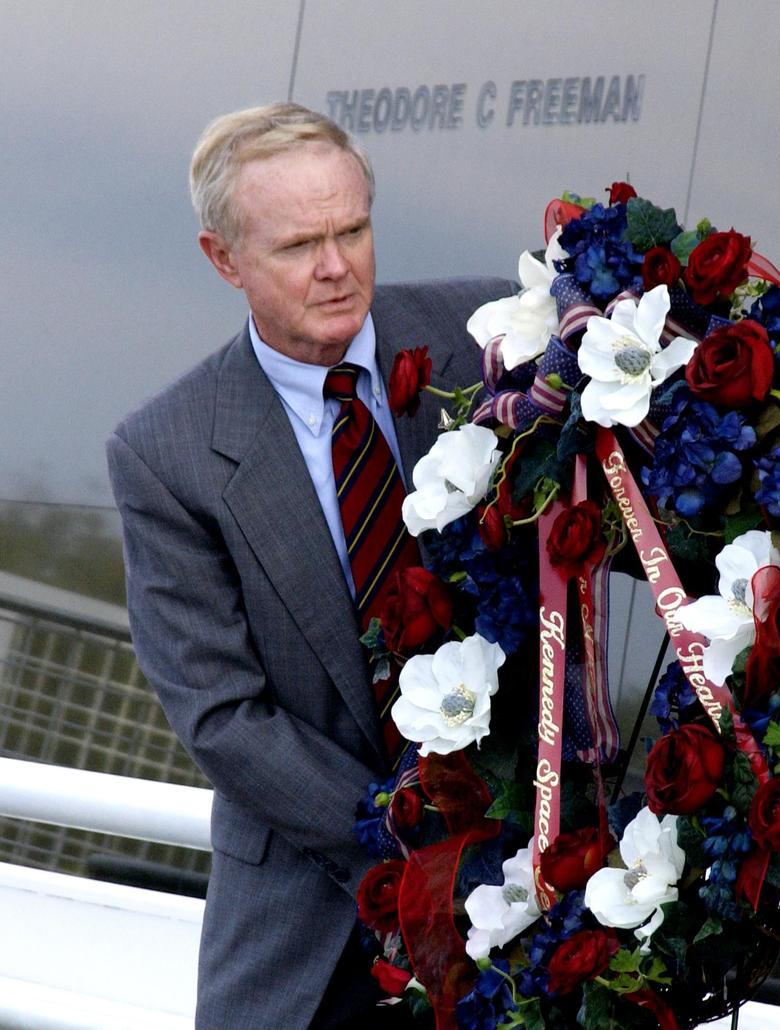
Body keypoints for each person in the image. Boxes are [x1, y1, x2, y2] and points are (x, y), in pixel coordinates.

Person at [106, 103, 512, 1028]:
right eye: (299, 246)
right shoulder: (165, 453)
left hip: (527, 907)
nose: (338, 268)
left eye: (355, 230)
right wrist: (419, 843)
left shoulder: (488, 338)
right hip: (307, 945)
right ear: (225, 260)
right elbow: (224, 714)